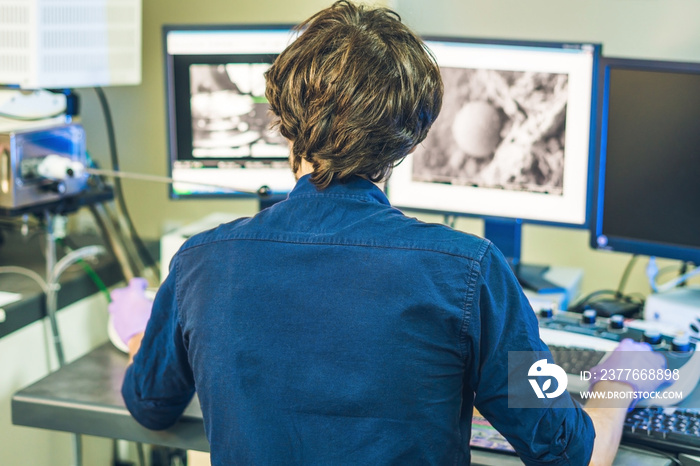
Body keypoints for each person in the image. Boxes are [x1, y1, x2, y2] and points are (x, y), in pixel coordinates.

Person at [110, 2, 668, 464]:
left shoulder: (199, 264)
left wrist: (141, 331)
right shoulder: (470, 272)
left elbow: (150, 402)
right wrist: (615, 383)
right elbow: (568, 451)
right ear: (411, 137)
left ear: (281, 114)